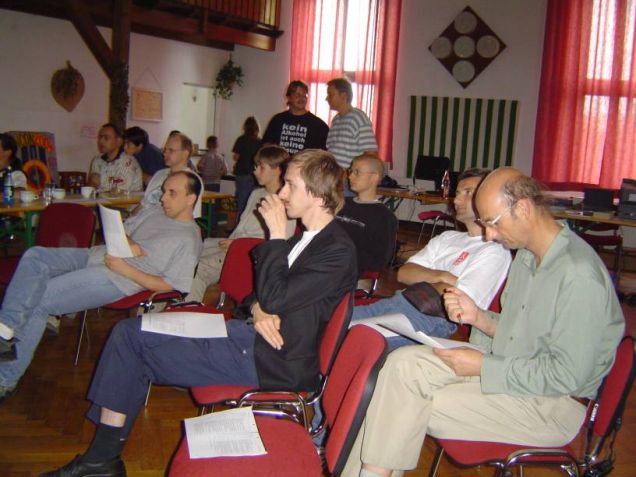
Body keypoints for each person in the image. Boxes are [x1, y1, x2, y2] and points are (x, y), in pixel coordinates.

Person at [40, 149, 357, 477]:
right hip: (249, 338)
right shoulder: (307, 240)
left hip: (271, 361)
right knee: (131, 333)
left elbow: (274, 296)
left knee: (131, 342)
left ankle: (101, 459)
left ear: (317, 194)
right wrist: (259, 308)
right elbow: (253, 297)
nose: (282, 192)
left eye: (290, 185)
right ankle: (102, 457)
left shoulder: (336, 250)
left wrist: (276, 237)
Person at [343, 168, 625, 477]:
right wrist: (480, 318)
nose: (489, 235)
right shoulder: (528, 257)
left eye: (492, 222)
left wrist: (484, 367)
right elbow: (522, 334)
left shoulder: (578, 274)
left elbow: (566, 376)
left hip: (551, 405)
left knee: (397, 400)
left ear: (523, 209)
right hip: (511, 370)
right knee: (399, 365)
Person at [0, 171, 203, 398]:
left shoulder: (189, 238)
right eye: (164, 191)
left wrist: (126, 268)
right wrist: (132, 245)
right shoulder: (155, 212)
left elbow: (171, 285)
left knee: (40, 300)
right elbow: (123, 231)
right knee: (35, 256)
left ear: (190, 199)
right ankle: (6, 329)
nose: (163, 197)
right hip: (97, 255)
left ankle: (5, 379)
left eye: (172, 193)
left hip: (118, 278)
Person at [351, 168, 510, 351]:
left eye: (468, 192)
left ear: (486, 198)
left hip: (431, 318)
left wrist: (426, 278)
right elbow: (404, 273)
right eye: (457, 193)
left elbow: (459, 299)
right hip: (399, 301)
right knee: (331, 322)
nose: (456, 200)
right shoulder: (447, 237)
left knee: (353, 341)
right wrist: (444, 277)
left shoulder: (494, 250)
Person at [186, 145, 296, 303]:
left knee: (199, 269)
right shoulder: (256, 193)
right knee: (186, 255)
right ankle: (177, 306)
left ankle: (188, 309)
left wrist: (237, 244)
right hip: (232, 247)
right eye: (256, 166)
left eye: (261, 167)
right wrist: (232, 242)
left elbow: (279, 244)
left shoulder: (286, 202)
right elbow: (240, 228)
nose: (255, 171)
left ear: (277, 170)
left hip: (247, 254)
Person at [125, 132, 203, 229]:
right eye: (165, 150)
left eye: (171, 150)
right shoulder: (159, 174)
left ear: (185, 154)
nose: (165, 153)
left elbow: (189, 218)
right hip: (139, 224)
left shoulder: (192, 180)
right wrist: (130, 215)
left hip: (160, 229)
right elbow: (144, 203)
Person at [336, 153, 397, 275]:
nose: (350, 177)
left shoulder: (384, 216)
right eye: (350, 171)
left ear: (374, 177)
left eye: (357, 172)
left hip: (347, 271)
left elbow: (379, 260)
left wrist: (339, 255)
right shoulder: (341, 203)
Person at [262, 80, 329, 154]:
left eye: (304, 95)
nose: (302, 99)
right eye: (297, 95)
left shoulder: (318, 125)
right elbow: (266, 146)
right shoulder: (277, 120)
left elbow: (323, 155)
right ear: (289, 97)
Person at [325, 77, 378, 170]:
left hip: (348, 177)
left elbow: (371, 154)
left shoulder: (358, 118)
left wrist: (352, 173)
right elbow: (330, 149)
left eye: (330, 94)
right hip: (333, 175)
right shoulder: (336, 120)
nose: (327, 98)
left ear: (343, 96)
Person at [88, 123, 143, 193]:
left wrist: (100, 181)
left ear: (119, 141)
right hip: (103, 199)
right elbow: (91, 188)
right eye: (100, 137)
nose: (101, 141)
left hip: (128, 200)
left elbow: (120, 192)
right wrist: (92, 184)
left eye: (106, 138)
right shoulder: (97, 160)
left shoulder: (128, 162)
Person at [232, 116, 262, 217]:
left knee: (242, 201)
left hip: (241, 173)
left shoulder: (241, 139)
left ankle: (240, 223)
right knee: (253, 201)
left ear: (245, 127)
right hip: (255, 174)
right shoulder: (259, 141)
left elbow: (236, 157)